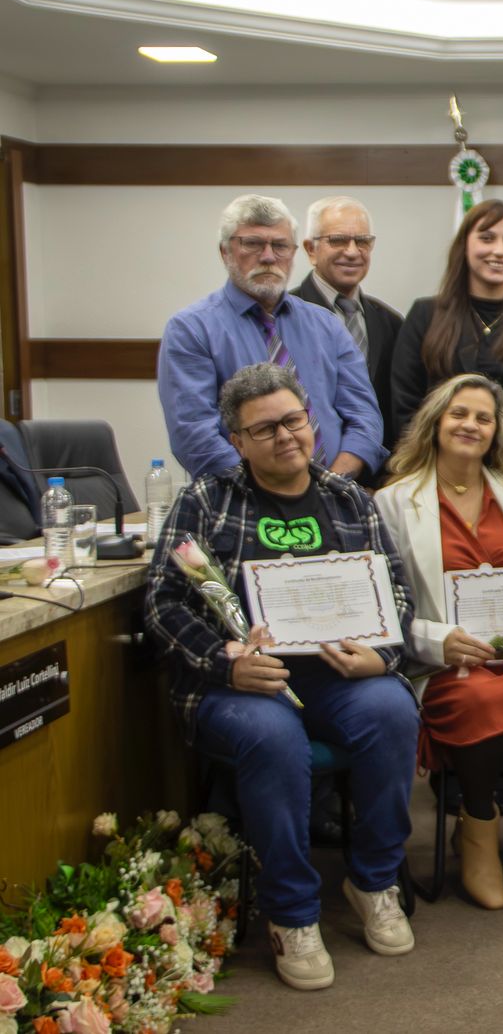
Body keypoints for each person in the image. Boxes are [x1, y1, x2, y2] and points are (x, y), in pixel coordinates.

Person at [145, 363, 417, 991]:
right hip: (239, 684)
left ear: (311, 422)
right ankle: (291, 912)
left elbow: (397, 591)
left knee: (392, 711)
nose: (285, 436)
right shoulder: (205, 500)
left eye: (293, 420)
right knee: (273, 738)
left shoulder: (351, 498)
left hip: (338, 676)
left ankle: (375, 881)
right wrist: (227, 661)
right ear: (237, 441)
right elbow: (163, 603)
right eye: (263, 429)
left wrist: (382, 656)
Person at [373, 374, 503, 911]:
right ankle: (478, 832)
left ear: (496, 432)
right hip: (445, 660)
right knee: (477, 697)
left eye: (483, 418)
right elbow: (385, 604)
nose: (471, 425)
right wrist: (437, 641)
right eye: (459, 414)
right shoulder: (394, 501)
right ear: (436, 422)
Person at [158, 194, 385, 481]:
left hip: (334, 492)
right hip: (241, 499)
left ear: (293, 252)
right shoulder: (191, 330)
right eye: (253, 244)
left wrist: (330, 486)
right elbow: (194, 436)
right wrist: (275, 494)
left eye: (279, 245)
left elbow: (365, 418)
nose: (268, 257)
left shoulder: (327, 325)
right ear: (225, 252)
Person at [392, 200, 503, 491]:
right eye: (487, 238)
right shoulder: (425, 315)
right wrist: (440, 477)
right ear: (464, 245)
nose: (499, 251)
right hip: (435, 483)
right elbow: (405, 405)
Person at [293, 195, 405, 463]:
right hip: (306, 469)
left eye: (363, 241)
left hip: (376, 474)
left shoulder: (390, 323)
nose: (353, 252)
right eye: (338, 240)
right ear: (310, 249)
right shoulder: (283, 316)